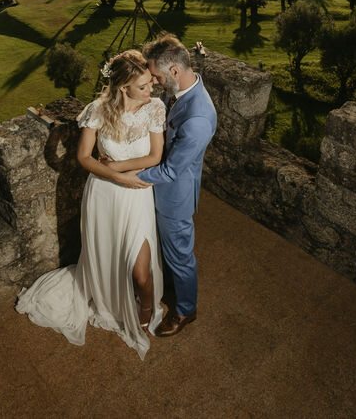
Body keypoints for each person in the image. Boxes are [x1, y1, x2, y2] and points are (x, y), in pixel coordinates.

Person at [16, 49, 166, 359]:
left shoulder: (155, 109)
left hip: (135, 193)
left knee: (141, 272)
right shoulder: (96, 110)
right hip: (103, 195)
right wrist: (114, 175)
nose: (150, 90)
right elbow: (83, 157)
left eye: (150, 84)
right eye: (143, 86)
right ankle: (110, 300)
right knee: (108, 252)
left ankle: (146, 311)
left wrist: (117, 171)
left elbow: (154, 157)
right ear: (123, 86)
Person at [106, 33, 216, 338]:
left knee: (180, 255)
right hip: (155, 187)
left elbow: (169, 170)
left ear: (175, 72)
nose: (153, 83)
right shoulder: (178, 88)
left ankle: (185, 309)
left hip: (173, 198)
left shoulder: (199, 119)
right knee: (160, 248)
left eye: (155, 76)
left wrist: (126, 177)